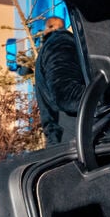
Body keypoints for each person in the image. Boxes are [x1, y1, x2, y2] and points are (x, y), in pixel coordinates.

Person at [34, 15, 87, 147]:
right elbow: (67, 96)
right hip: (76, 143)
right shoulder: (61, 44)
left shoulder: (53, 45)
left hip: (66, 141)